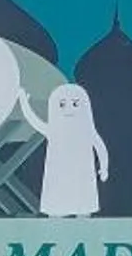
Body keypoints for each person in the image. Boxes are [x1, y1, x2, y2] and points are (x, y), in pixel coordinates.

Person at [16, 82, 109, 218]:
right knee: (57, 208)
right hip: (59, 177)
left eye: (75, 104)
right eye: (62, 104)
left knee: (83, 208)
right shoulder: (54, 129)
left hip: (81, 176)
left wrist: (104, 168)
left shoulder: (87, 129)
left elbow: (100, 147)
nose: (68, 109)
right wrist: (23, 101)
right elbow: (34, 121)